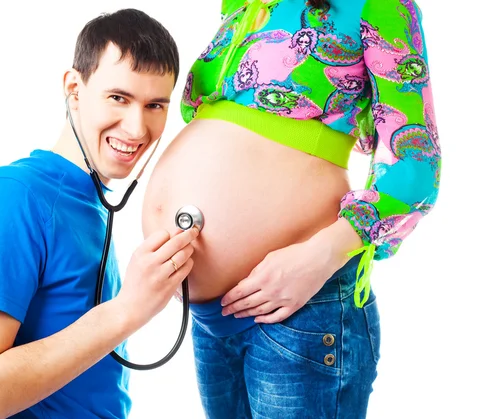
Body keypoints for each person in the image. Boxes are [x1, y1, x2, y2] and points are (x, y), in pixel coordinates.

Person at [142, 0, 440, 417]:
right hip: (212, 319)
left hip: (302, 306)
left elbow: (416, 164)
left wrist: (319, 257)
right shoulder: (242, 4)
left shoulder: (378, 5)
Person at [0, 9, 199, 419]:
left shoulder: (91, 204)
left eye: (154, 105)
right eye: (119, 97)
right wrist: (128, 310)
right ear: (74, 90)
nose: (136, 129)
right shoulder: (14, 198)